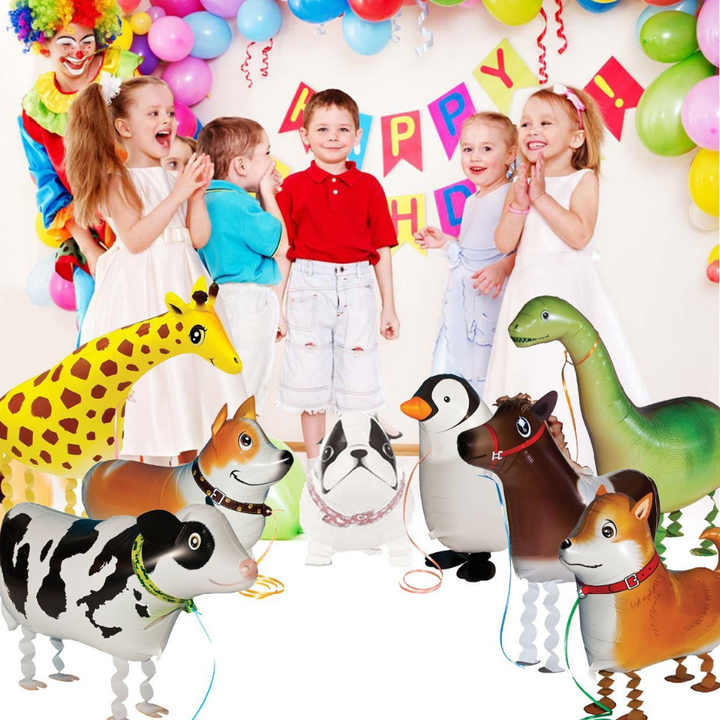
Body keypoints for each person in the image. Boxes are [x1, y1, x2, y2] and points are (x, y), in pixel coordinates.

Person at [65, 75, 247, 464]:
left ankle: (188, 476)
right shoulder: (117, 180)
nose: (167, 120)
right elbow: (135, 239)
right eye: (153, 113)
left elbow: (196, 238)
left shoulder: (172, 177)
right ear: (124, 127)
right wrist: (179, 193)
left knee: (189, 381)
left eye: (169, 112)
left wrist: (195, 195)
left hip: (181, 283)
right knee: (151, 384)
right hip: (142, 293)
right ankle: (141, 480)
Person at [483, 84, 649, 470]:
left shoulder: (583, 180)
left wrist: (541, 197)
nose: (532, 130)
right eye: (526, 123)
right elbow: (504, 242)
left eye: (545, 123)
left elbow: (578, 235)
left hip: (569, 293)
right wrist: (520, 203)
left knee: (570, 369)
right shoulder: (519, 184)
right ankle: (527, 458)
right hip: (527, 292)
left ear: (576, 138)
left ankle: (581, 456)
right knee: (528, 368)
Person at [276, 88, 400, 459]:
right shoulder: (293, 187)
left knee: (358, 378)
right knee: (309, 380)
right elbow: (284, 252)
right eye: (323, 129)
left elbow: (382, 249)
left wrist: (389, 306)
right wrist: (277, 307)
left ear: (357, 136)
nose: (333, 137)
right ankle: (316, 467)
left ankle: (355, 464)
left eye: (343, 129)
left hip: (358, 286)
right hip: (307, 287)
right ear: (305, 136)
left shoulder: (369, 186)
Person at [10, 0, 140, 329]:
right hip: (88, 232)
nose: (78, 53)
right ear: (43, 43)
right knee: (94, 330)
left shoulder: (122, 76)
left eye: (86, 41)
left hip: (141, 221)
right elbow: (49, 185)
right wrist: (90, 249)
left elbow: (151, 144)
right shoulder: (35, 109)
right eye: (66, 42)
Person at [415, 112, 517, 397]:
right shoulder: (472, 200)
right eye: (468, 149)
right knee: (455, 364)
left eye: (487, 148)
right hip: (464, 298)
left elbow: (523, 247)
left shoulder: (510, 194)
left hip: (488, 298)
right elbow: (471, 254)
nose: (475, 157)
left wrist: (503, 266)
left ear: (510, 155)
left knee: (483, 365)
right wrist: (447, 243)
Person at [197, 117, 289, 412]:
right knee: (251, 383)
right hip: (250, 300)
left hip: (220, 297)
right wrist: (268, 195)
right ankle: (244, 433)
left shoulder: (206, 200)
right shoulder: (239, 205)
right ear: (241, 165)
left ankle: (230, 433)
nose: (272, 161)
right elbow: (280, 245)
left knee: (228, 380)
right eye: (266, 153)